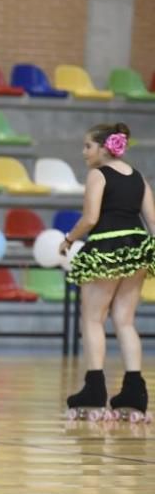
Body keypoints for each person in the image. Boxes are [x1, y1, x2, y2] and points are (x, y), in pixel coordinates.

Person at [62, 122, 155, 423]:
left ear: (104, 148)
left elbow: (90, 218)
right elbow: (152, 221)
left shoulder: (98, 175)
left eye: (88, 146)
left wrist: (69, 239)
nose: (84, 152)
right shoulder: (139, 177)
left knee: (92, 318)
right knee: (125, 321)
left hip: (106, 247)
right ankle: (134, 393)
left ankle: (94, 389)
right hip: (138, 248)